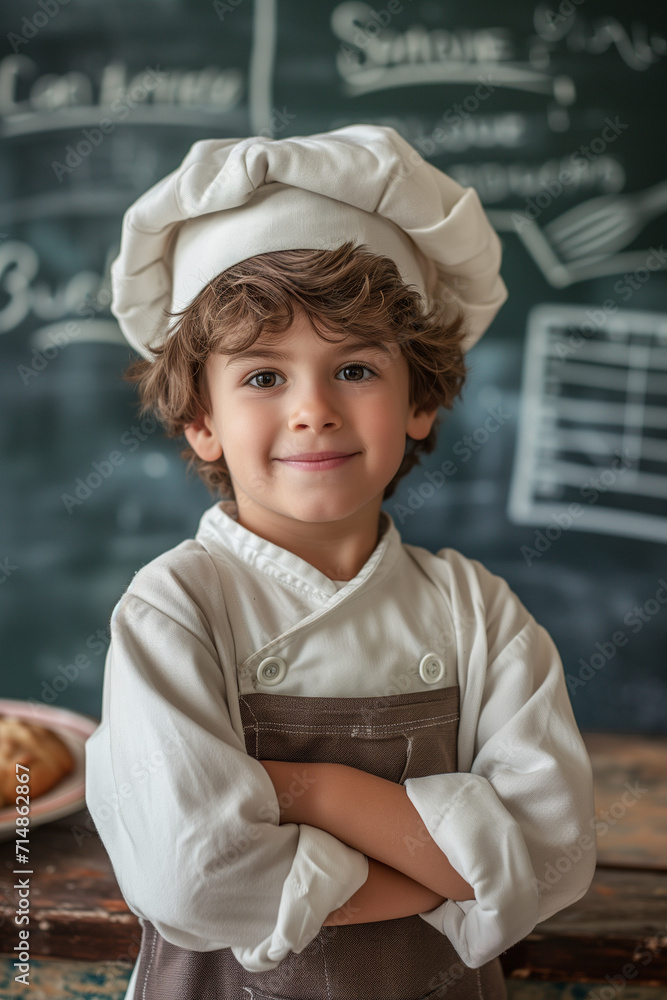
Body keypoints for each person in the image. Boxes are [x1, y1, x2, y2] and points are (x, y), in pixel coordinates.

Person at [85, 124, 596, 1000]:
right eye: (262, 376)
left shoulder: (477, 613)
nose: (313, 409)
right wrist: (447, 876)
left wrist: (310, 791)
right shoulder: (175, 607)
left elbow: (552, 858)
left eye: (354, 368)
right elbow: (190, 877)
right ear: (200, 419)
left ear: (419, 402)